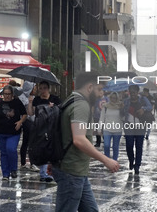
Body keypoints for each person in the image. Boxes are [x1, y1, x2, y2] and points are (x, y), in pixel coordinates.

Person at [52, 72, 120, 212]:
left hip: (76, 170)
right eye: (99, 89)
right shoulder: (81, 105)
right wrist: (106, 160)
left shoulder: (71, 99)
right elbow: (79, 139)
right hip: (72, 170)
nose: (102, 94)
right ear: (90, 87)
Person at [0, 85, 27, 180]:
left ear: (12, 94)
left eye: (9, 94)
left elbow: (24, 114)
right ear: (2, 94)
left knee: (11, 149)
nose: (7, 96)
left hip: (13, 132)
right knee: (3, 152)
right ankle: (5, 174)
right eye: (5, 94)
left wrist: (20, 122)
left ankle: (13, 169)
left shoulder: (17, 102)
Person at [28, 80, 61, 182]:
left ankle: (51, 172)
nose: (42, 90)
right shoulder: (37, 100)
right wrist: (30, 102)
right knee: (42, 148)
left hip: (52, 127)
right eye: (40, 88)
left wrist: (53, 107)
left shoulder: (55, 99)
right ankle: (44, 173)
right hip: (39, 127)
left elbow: (60, 111)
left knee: (51, 148)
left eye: (44, 88)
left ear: (48, 89)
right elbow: (30, 113)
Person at [121, 84, 152, 175]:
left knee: (139, 146)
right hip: (129, 126)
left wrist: (143, 109)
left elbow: (150, 107)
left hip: (141, 126)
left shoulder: (143, 99)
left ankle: (137, 165)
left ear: (137, 92)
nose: (132, 94)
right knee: (129, 145)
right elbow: (122, 113)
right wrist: (122, 107)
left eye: (134, 92)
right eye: (131, 92)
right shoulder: (126, 101)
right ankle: (131, 160)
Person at [18, 81, 39, 172]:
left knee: (28, 143)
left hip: (33, 122)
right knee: (29, 143)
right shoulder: (22, 98)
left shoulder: (33, 97)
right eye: (34, 87)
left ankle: (28, 163)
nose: (35, 89)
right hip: (26, 122)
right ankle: (30, 163)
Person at [99, 92, 123, 160]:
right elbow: (102, 117)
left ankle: (115, 161)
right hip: (107, 129)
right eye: (112, 98)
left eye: (115, 98)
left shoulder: (120, 107)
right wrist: (99, 128)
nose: (113, 99)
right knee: (106, 145)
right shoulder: (105, 106)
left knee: (115, 147)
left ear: (117, 98)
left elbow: (124, 118)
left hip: (117, 130)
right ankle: (107, 160)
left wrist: (123, 109)